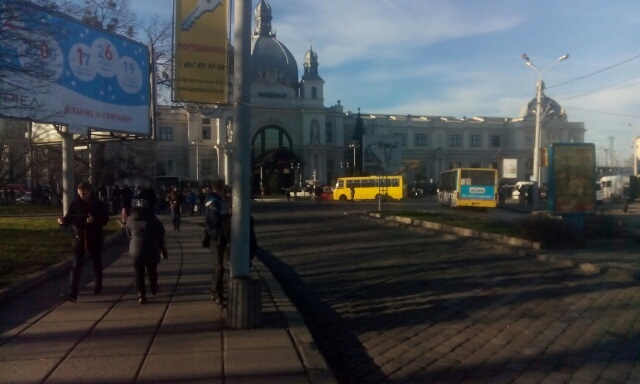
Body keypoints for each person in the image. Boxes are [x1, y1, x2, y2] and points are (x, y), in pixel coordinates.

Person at [57, 181, 110, 302]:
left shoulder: (98, 203)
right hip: (79, 238)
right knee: (76, 265)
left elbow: (105, 219)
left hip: (94, 237)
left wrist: (95, 220)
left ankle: (98, 284)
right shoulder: (75, 204)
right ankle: (73, 292)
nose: (82, 196)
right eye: (80, 193)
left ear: (89, 192)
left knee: (96, 263)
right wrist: (63, 221)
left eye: (84, 193)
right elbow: (70, 219)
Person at [126, 198, 168, 304]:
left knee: (138, 273)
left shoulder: (130, 219)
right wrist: (163, 249)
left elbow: (128, 233)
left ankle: (141, 295)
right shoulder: (152, 218)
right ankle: (153, 288)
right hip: (151, 247)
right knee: (152, 270)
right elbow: (161, 232)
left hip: (135, 248)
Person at [205, 179, 227, 304]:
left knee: (217, 266)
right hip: (216, 237)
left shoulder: (212, 200)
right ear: (220, 189)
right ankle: (216, 293)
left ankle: (216, 292)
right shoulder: (214, 202)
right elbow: (215, 221)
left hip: (215, 236)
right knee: (219, 267)